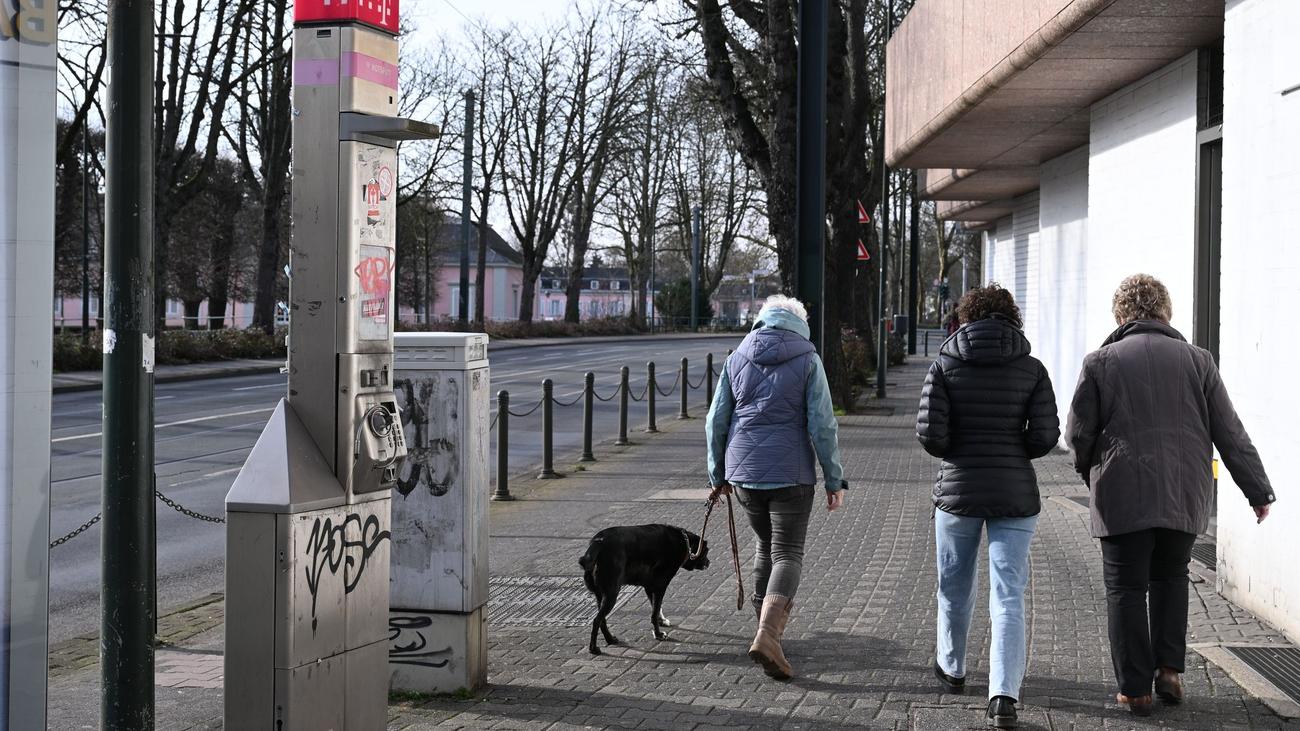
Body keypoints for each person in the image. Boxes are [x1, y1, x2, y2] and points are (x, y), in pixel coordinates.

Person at [1066, 274, 1275, 717]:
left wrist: (1089, 473)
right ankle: (1170, 671)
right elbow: (1229, 432)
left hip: (1122, 494)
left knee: (1125, 588)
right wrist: (1257, 490)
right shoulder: (1198, 361)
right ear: (1166, 312)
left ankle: (1135, 689)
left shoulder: (1101, 362)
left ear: (1121, 315)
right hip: (1184, 494)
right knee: (1171, 578)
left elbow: (1078, 433)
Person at [916, 284, 1059, 730]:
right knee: (1008, 593)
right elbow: (1044, 436)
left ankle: (953, 668)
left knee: (954, 586)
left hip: (958, 491)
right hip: (1015, 493)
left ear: (966, 317)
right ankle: (1003, 695)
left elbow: (932, 437)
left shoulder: (945, 364)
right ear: (1011, 318)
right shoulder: (1032, 368)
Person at [705, 295, 846, 681]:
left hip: (744, 473)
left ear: (761, 321)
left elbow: (716, 420)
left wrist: (717, 475)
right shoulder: (808, 359)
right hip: (791, 474)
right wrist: (835, 479)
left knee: (764, 546)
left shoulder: (737, 357)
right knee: (787, 553)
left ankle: (765, 630)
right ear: (799, 323)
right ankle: (768, 634)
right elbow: (823, 424)